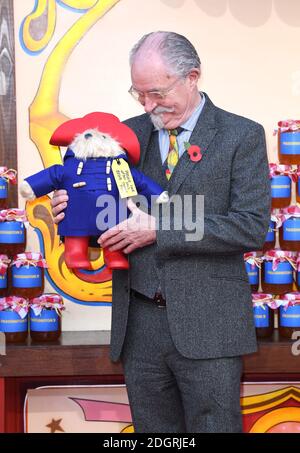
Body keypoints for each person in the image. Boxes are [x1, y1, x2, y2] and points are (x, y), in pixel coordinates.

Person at [51, 31, 271, 433]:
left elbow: (250, 226)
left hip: (211, 327)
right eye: (139, 94)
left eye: (157, 92)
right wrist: (74, 214)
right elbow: (113, 219)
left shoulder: (242, 135)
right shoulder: (123, 136)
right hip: (140, 328)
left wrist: (161, 228)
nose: (149, 106)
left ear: (192, 76)